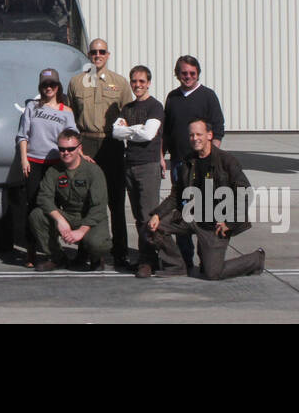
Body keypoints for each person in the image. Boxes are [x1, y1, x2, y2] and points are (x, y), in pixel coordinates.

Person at [143, 119, 265, 280]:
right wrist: (157, 214)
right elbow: (176, 195)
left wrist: (230, 222)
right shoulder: (188, 161)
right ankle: (176, 265)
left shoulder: (226, 161)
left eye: (199, 134)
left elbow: (245, 193)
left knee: (213, 273)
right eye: (191, 135)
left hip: (215, 224)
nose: (195, 138)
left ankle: (256, 259)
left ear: (209, 135)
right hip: (190, 216)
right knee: (153, 227)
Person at [68, 38, 133, 269]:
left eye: (102, 51)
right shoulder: (76, 83)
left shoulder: (121, 83)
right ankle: (86, 253)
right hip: (86, 143)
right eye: (94, 52)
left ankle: (120, 253)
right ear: (89, 54)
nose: (98, 55)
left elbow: (129, 114)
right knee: (85, 200)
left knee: (115, 200)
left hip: (111, 144)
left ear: (108, 54)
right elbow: (72, 115)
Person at [162, 55, 226, 271]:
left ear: (198, 73)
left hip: (203, 166)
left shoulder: (208, 96)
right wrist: (162, 155)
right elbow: (167, 131)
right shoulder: (172, 97)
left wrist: (212, 156)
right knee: (182, 212)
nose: (187, 76)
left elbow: (218, 126)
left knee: (205, 210)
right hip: (180, 165)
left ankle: (206, 255)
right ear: (177, 74)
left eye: (191, 73)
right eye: (183, 73)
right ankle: (185, 258)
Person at [15, 67, 79, 268]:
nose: (48, 88)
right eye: (45, 85)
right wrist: (24, 159)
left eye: (52, 84)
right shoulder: (32, 107)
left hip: (56, 164)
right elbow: (22, 136)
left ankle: (54, 249)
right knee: (33, 207)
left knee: (57, 207)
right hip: (34, 163)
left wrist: (78, 158)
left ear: (58, 87)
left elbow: (73, 139)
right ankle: (32, 252)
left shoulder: (65, 111)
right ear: (40, 87)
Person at [28, 129, 111, 271]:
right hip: (68, 215)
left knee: (98, 243)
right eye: (62, 149)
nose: (66, 153)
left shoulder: (93, 171)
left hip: (90, 217)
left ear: (79, 148)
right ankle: (57, 258)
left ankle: (96, 257)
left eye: (70, 149)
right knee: (37, 215)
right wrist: (60, 220)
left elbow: (98, 207)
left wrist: (81, 231)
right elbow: (44, 197)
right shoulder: (54, 171)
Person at [112, 65, 164, 274]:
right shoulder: (127, 108)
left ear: (149, 82)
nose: (137, 85)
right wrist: (136, 129)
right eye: (134, 81)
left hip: (148, 165)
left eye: (142, 81)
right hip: (130, 165)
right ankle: (144, 257)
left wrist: (129, 131)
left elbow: (149, 134)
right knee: (137, 215)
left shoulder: (155, 107)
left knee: (148, 216)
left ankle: (149, 261)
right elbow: (116, 133)